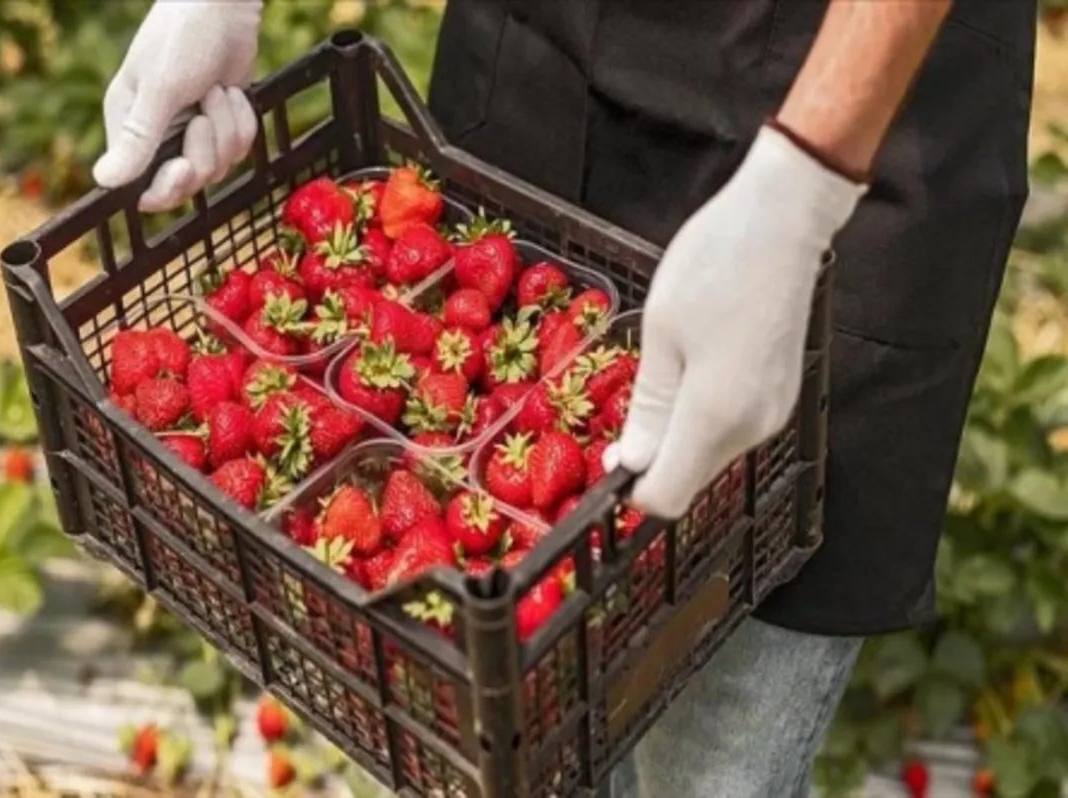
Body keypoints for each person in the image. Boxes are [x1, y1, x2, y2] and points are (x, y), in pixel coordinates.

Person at [93, 1, 1037, 795]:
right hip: (548, 52)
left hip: (859, 98)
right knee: (474, 734)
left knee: (718, 755)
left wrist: (804, 188)